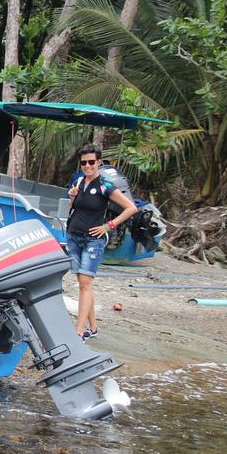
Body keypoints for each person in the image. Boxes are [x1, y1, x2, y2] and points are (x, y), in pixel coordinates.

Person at [66, 144, 137, 339]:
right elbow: (76, 208)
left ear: (98, 162)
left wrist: (108, 226)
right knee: (83, 284)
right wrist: (72, 197)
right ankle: (93, 328)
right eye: (83, 163)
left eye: (91, 162)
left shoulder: (105, 185)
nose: (87, 166)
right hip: (73, 236)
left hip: (93, 239)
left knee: (85, 283)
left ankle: (79, 331)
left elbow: (131, 208)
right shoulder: (80, 182)